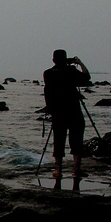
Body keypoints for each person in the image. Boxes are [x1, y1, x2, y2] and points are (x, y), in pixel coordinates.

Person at [43, 49, 91, 178]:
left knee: (58, 140)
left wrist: (50, 108)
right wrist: (79, 63)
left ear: (53, 60)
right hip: (73, 109)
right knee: (76, 139)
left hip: (58, 111)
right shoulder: (71, 71)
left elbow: (47, 91)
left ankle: (58, 170)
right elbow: (86, 77)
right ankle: (76, 169)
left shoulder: (48, 74)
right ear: (65, 59)